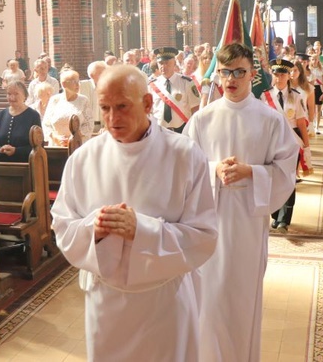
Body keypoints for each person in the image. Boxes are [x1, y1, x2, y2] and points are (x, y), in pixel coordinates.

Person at [51, 64, 218, 361]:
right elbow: (63, 226)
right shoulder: (83, 159)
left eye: (122, 107)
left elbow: (204, 236)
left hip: (164, 303)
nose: (113, 118)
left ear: (147, 103)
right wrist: (95, 230)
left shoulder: (184, 154)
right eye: (105, 108)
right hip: (106, 304)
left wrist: (141, 229)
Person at [184, 43, 298, 361]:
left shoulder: (270, 120)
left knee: (241, 299)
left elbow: (286, 171)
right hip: (207, 223)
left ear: (252, 74)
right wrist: (213, 170)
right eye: (225, 72)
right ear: (217, 75)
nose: (231, 79)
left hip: (247, 223)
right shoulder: (201, 121)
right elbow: (185, 172)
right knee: (208, 300)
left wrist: (251, 173)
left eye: (239, 72)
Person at [261, 58, 308, 232]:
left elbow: (301, 123)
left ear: (289, 76)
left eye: (282, 74)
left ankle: (284, 219)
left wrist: (307, 148)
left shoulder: (296, 96)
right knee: (273, 178)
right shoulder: (264, 96)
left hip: (292, 140)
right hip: (271, 141)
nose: (279, 78)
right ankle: (275, 214)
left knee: (289, 179)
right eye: (276, 74)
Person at [149, 46, 201, 133]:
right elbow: (149, 111)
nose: (163, 66)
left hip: (182, 130)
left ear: (174, 63)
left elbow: (195, 108)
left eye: (167, 63)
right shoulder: (152, 85)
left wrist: (193, 130)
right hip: (159, 131)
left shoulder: (186, 83)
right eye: (160, 63)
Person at [0, 81, 42, 162]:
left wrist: (16, 151)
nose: (12, 97)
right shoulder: (1, 115)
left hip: (26, 166)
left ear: (25, 96)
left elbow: (39, 146)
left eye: (16, 94)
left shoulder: (33, 116)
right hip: (2, 165)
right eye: (9, 94)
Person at [43, 70, 93, 145]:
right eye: (74, 81)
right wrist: (55, 137)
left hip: (78, 144)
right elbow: (46, 124)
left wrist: (74, 137)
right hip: (58, 145)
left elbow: (89, 124)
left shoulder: (84, 100)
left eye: (78, 81)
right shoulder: (54, 100)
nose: (78, 84)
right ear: (63, 84)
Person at [79, 61, 106, 133]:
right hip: (84, 129)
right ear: (91, 75)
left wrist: (107, 127)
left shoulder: (110, 88)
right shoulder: (81, 86)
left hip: (103, 128)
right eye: (102, 73)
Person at [309, 52, 323, 134]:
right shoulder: (309, 69)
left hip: (319, 88)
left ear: (318, 60)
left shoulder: (321, 68)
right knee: (311, 108)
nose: (314, 61)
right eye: (313, 59)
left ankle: (317, 127)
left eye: (316, 59)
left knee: (318, 109)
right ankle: (311, 125)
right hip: (311, 88)